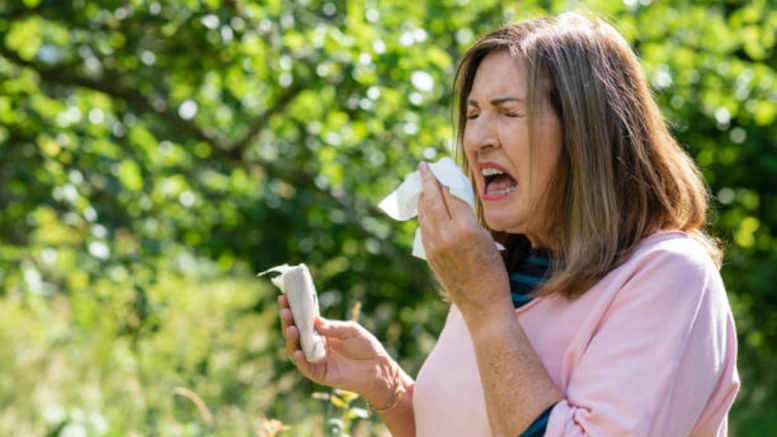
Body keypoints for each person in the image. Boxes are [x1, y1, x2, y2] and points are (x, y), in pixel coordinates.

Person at [278, 12, 739, 437]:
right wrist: (388, 387)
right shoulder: (501, 268)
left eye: (508, 112)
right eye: (473, 114)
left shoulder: (668, 276)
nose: (476, 139)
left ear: (585, 136)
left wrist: (485, 308)